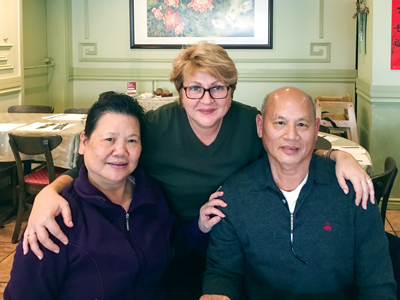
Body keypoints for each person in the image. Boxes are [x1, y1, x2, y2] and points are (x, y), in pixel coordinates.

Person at [22, 43, 374, 300]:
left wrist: (338, 155)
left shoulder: (248, 122)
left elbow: (291, 145)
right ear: (180, 91)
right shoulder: (154, 128)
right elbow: (102, 159)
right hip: (167, 248)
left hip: (239, 247)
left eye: (218, 88)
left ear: (231, 90)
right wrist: (49, 193)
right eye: (195, 88)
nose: (206, 99)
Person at [4, 93, 225, 300]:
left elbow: (170, 244)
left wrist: (200, 225)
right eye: (109, 139)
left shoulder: (150, 193)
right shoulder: (55, 219)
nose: (120, 151)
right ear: (83, 142)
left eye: (132, 140)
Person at [201, 87, 396, 300]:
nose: (291, 135)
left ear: (316, 130)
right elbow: (223, 272)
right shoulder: (234, 195)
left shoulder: (353, 191)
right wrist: (218, 293)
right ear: (260, 126)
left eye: (302, 124)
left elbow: (377, 283)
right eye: (280, 123)